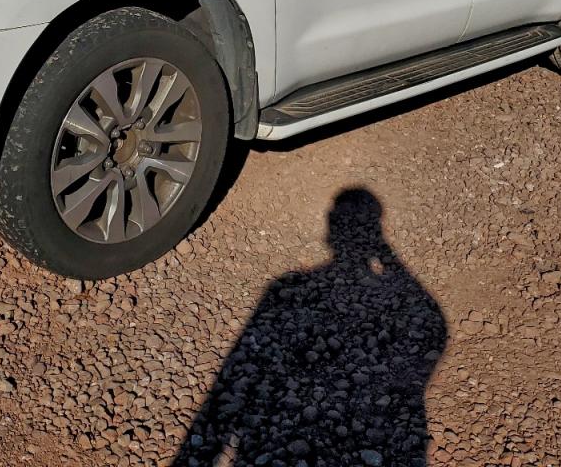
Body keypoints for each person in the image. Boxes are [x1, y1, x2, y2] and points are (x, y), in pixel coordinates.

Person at [175, 188, 447, 466]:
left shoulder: (284, 287)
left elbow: (232, 376)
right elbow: (430, 325)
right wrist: (382, 250)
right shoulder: (287, 288)